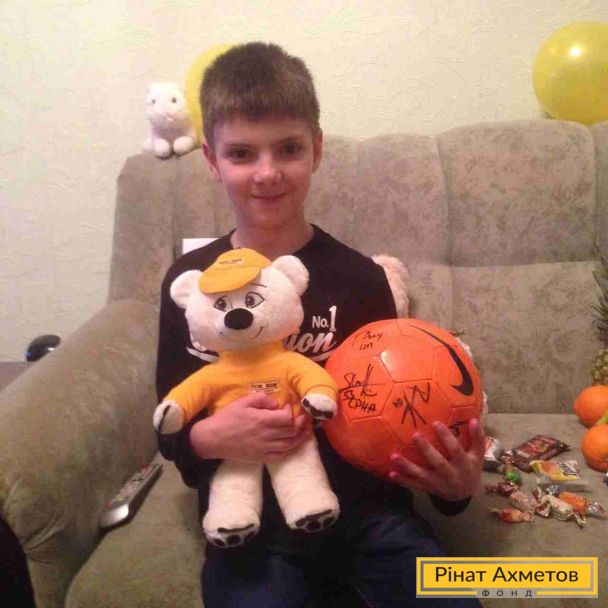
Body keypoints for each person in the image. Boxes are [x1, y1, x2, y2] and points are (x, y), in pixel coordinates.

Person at [156, 41, 484, 608]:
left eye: (288, 148)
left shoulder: (362, 278)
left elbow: (406, 420)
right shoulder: (191, 285)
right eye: (241, 154)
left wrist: (454, 491)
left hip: (373, 522)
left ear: (317, 149)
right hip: (252, 531)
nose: (267, 173)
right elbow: (167, 421)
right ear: (211, 160)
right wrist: (207, 437)